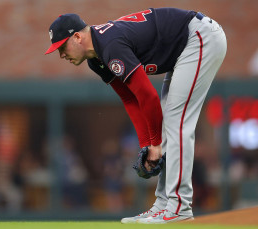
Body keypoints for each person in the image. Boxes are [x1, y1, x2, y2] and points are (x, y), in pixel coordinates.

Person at [45, 7, 227, 224]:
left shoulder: (109, 45)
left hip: (199, 36)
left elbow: (148, 96)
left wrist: (155, 145)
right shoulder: (97, 59)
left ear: (77, 36)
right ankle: (163, 205)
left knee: (176, 122)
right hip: (185, 45)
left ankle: (179, 207)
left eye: (62, 46)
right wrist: (147, 145)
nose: (61, 54)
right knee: (169, 123)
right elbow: (131, 99)